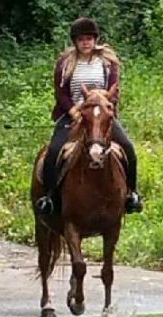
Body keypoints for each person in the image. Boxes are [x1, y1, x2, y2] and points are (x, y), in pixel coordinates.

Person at [34, 17, 142, 215]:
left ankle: (132, 194)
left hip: (101, 116)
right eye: (81, 39)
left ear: (95, 39)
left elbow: (114, 91)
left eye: (89, 39)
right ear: (75, 41)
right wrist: (73, 110)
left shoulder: (108, 63)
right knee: (54, 152)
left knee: (128, 148)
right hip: (73, 115)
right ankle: (48, 197)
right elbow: (61, 93)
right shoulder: (66, 63)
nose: (86, 42)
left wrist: (104, 107)